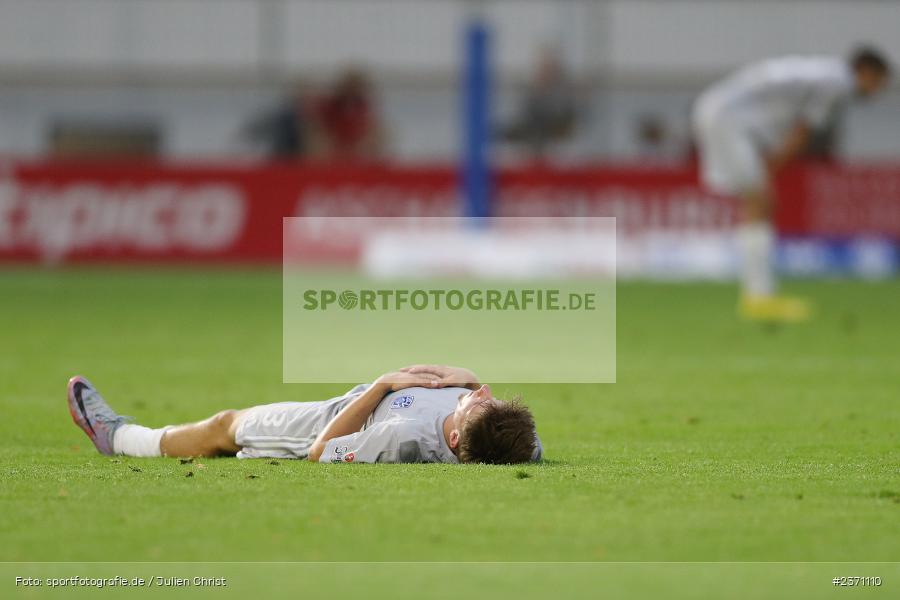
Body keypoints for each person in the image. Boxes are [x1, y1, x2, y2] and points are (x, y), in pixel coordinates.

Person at [692, 46, 890, 321]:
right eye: (878, 83)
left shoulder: (825, 72)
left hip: (725, 113)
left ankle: (759, 295)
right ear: (866, 71)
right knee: (760, 201)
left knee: (760, 201)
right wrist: (771, 169)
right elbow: (801, 133)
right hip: (727, 118)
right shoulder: (839, 83)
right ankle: (758, 298)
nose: (876, 91)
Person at [67, 365, 543, 465]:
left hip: (326, 420)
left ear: (455, 440)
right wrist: (470, 379)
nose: (478, 390)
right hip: (353, 401)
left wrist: (380, 386)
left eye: (476, 397)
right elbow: (513, 445)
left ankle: (122, 438)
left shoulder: (401, 436)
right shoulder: (519, 439)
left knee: (225, 426)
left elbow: (320, 453)